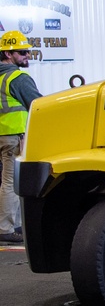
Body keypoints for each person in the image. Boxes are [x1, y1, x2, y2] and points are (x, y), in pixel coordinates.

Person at [0, 30, 41, 244]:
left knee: (5, 181)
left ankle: (10, 223)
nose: (27, 56)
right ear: (8, 53)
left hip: (2, 134)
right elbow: (38, 105)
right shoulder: (17, 77)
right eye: (22, 52)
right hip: (13, 136)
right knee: (10, 182)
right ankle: (6, 227)